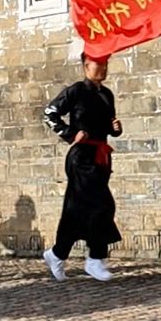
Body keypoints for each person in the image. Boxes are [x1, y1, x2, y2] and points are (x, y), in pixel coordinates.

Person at [41, 52, 123, 281]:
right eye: (99, 64)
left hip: (100, 157)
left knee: (76, 210)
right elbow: (50, 114)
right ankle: (95, 258)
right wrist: (70, 134)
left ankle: (57, 254)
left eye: (106, 64)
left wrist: (115, 128)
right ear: (86, 66)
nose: (103, 68)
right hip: (81, 158)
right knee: (102, 205)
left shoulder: (107, 94)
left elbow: (107, 126)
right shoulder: (76, 91)